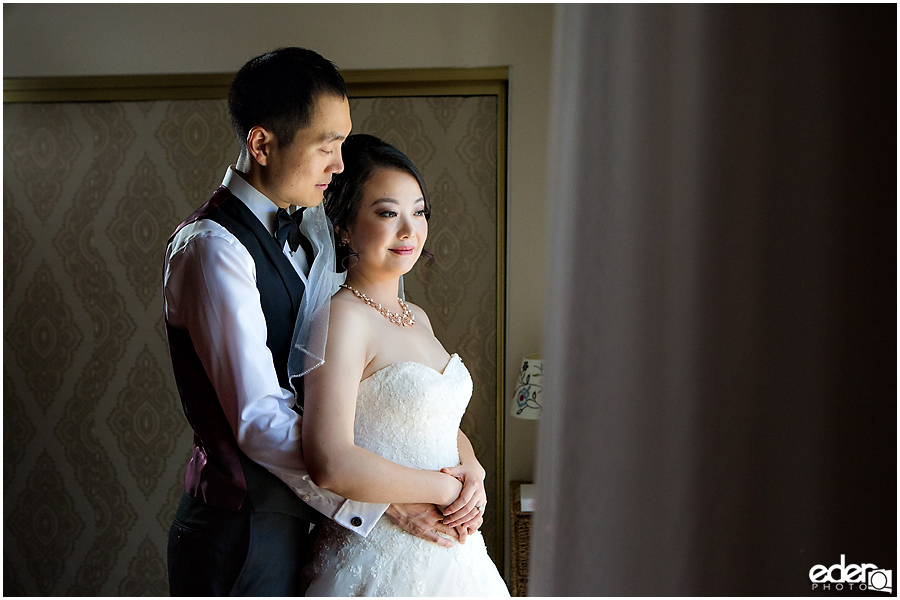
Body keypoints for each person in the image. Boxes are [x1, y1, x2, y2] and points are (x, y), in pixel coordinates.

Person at [163, 48, 485, 596]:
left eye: (343, 143)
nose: (339, 164)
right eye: (326, 146)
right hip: (242, 530)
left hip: (308, 524)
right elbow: (260, 419)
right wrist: (386, 496)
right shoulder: (214, 248)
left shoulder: (311, 242)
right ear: (261, 144)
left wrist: (461, 463)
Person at [300, 134, 510, 596]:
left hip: (456, 560)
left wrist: (473, 472)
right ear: (344, 227)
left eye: (418, 212)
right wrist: (443, 491)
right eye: (388, 213)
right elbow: (330, 460)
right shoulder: (342, 318)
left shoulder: (417, 317)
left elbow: (434, 418)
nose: (409, 231)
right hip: (379, 556)